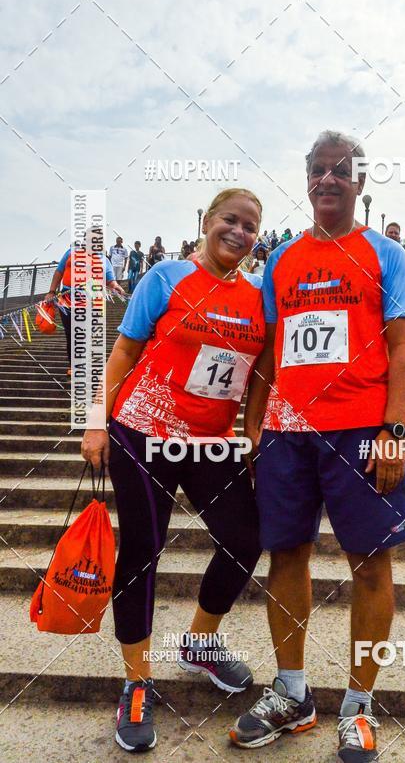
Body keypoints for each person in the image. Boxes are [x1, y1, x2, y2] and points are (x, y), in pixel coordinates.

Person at [230, 131, 405, 761]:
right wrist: (253, 428)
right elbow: (264, 351)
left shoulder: (386, 254)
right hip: (287, 433)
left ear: (360, 181)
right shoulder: (281, 262)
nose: (328, 180)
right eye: (318, 170)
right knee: (285, 557)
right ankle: (291, 693)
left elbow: (402, 349)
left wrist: (393, 432)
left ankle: (360, 707)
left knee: (370, 565)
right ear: (306, 178)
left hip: (362, 432)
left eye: (341, 171)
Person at [81, 188, 266, 754]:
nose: (239, 232)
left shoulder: (260, 298)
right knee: (144, 546)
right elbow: (123, 353)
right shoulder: (165, 277)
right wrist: (95, 422)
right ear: (206, 222)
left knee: (245, 537)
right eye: (230, 221)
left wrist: (253, 432)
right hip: (141, 431)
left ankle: (200, 643)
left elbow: (260, 374)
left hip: (208, 442)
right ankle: (137, 682)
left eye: (251, 226)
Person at [44, 234, 125, 376]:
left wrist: (116, 286)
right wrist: (51, 291)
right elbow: (59, 271)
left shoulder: (104, 260)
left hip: (91, 300)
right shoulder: (71, 253)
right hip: (67, 298)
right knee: (71, 333)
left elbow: (110, 280)